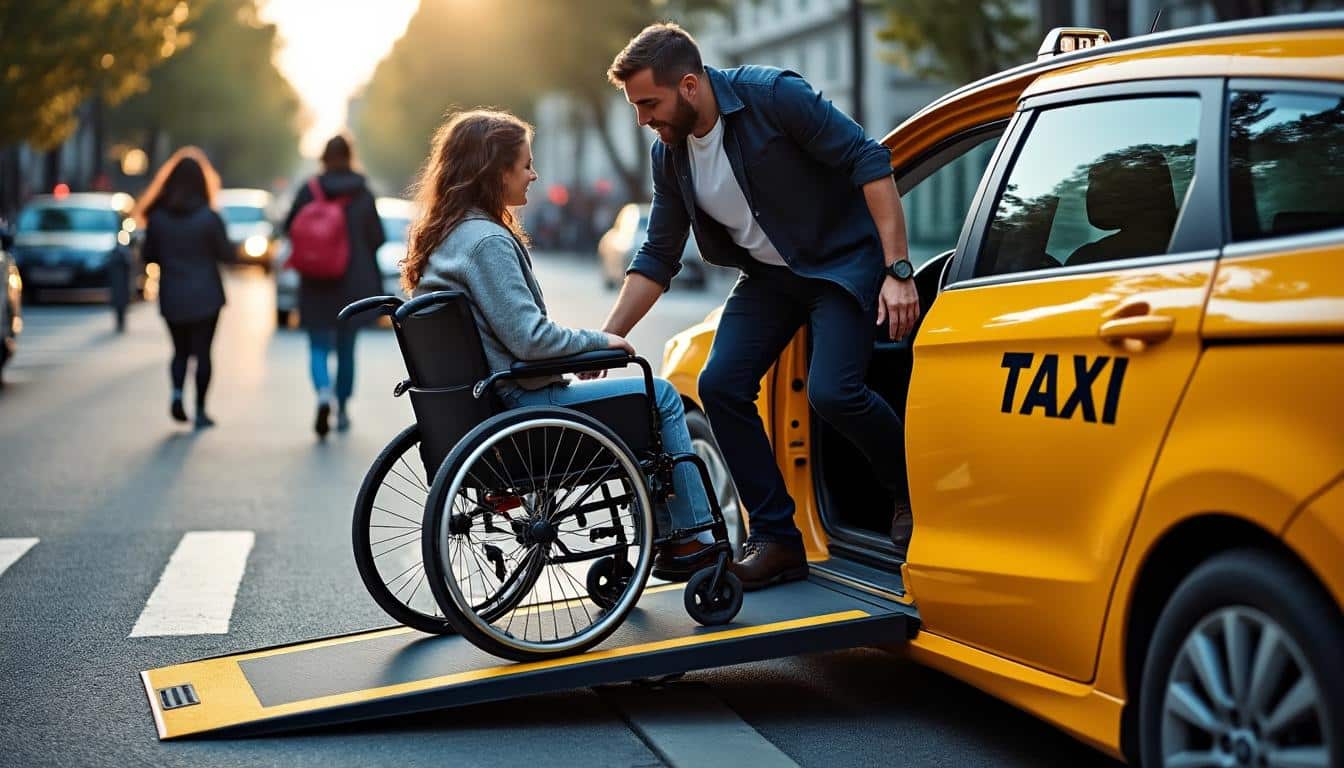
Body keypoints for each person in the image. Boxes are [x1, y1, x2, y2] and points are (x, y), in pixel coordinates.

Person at [602, 24, 921, 590]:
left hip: (840, 266)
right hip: (771, 277)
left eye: (649, 103)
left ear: (691, 85)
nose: (643, 119)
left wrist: (897, 271)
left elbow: (869, 160)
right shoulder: (670, 156)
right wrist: (607, 339)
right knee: (720, 383)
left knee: (832, 391)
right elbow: (658, 254)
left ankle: (906, 490)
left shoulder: (774, 96)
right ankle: (777, 539)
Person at [400, 109, 719, 580]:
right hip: (525, 404)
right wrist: (601, 342)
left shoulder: (445, 237)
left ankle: (663, 531)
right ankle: (691, 539)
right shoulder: (485, 242)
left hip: (486, 404)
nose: (534, 174)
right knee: (663, 397)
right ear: (496, 171)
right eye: (525, 164)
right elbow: (530, 340)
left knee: (639, 402)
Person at [283, 135, 385, 439]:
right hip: (353, 283)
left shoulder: (309, 190)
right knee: (346, 347)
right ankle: (341, 408)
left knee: (316, 343)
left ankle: (323, 393)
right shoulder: (363, 193)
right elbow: (377, 237)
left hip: (316, 280)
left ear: (323, 157)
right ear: (350, 156)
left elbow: (289, 228)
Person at [134, 147, 233, 429]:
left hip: (172, 293)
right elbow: (226, 254)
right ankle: (201, 410)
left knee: (179, 351)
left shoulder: (158, 217)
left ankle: (177, 394)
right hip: (207, 295)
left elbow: (148, 256)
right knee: (203, 353)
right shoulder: (209, 217)